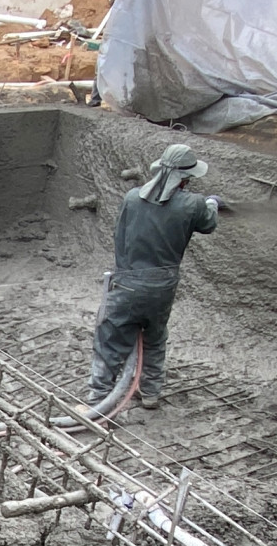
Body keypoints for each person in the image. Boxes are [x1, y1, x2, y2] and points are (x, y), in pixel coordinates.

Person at [88, 143, 220, 414]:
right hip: (163, 286)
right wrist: (212, 203)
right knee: (155, 337)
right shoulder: (193, 204)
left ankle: (99, 399)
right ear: (185, 179)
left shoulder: (133, 197)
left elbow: (120, 237)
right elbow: (208, 223)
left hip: (127, 281)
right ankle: (150, 392)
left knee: (110, 338)